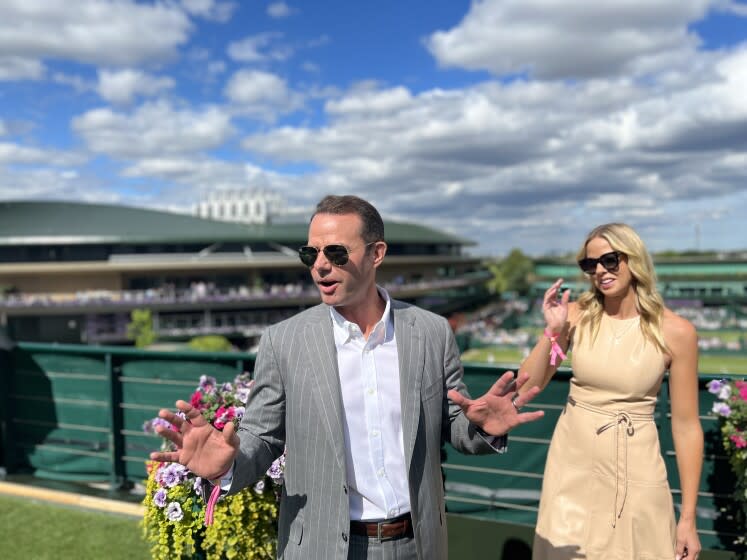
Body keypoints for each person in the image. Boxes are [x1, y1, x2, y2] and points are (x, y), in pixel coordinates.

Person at [151, 194, 544, 560]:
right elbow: (263, 437)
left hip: (418, 543)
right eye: (312, 253)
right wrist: (227, 465)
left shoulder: (432, 332)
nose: (320, 265)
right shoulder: (283, 341)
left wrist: (484, 428)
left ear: (377, 254)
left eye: (336, 253)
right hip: (323, 547)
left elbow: (456, 424)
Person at [519, 223, 703, 560]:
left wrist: (688, 519)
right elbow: (529, 385)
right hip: (571, 466)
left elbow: (687, 426)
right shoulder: (573, 317)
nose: (600, 271)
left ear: (633, 259)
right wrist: (552, 332)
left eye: (610, 260)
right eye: (591, 264)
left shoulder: (677, 332)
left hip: (637, 470)